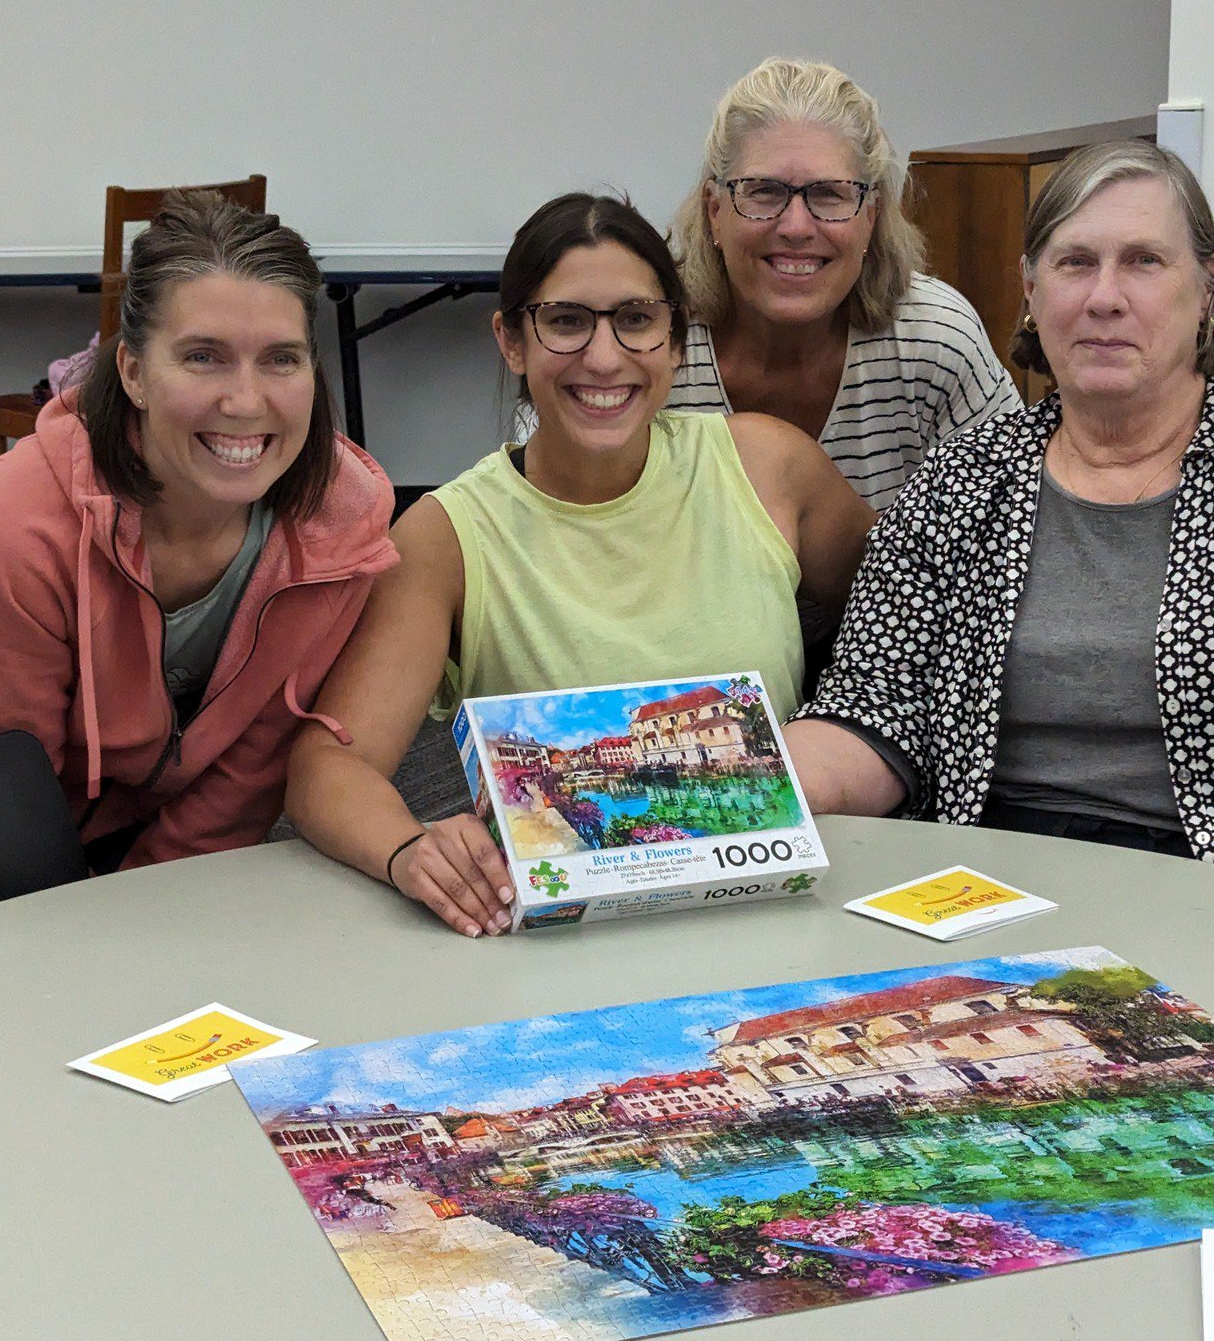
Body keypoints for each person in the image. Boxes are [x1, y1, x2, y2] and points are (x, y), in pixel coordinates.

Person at [786, 140, 1214, 927]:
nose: (1105, 297)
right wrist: (740, 791)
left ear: (1206, 289)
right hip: (993, 884)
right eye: (1075, 263)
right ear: (1029, 289)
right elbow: (873, 714)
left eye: (1145, 261)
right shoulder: (961, 482)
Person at [287, 193, 873, 938]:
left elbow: (905, 619)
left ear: (675, 339)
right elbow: (327, 768)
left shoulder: (767, 467)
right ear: (511, 340)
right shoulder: (450, 535)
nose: (604, 356)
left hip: (777, 905)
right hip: (569, 935)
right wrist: (409, 850)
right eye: (566, 321)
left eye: (635, 319)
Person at [0, 191, 397, 872]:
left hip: (133, 791)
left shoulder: (340, 520)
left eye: (282, 359)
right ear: (134, 371)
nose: (247, 401)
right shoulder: (16, 528)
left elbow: (248, 773)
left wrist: (153, 901)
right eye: (204, 356)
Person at [666, 56, 1022, 511]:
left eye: (829, 194)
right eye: (764, 191)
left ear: (871, 217)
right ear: (715, 211)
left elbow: (1006, 527)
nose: (796, 227)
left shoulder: (934, 341)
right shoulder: (649, 339)